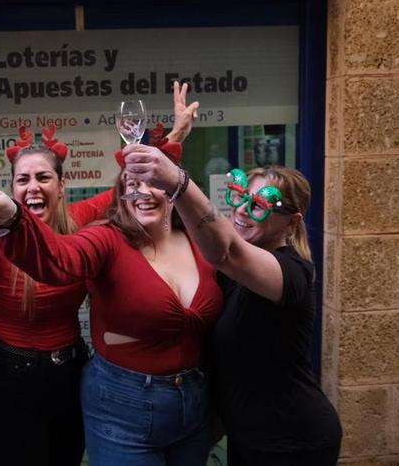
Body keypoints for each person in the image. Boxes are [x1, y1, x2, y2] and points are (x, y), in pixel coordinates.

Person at [0, 81, 198, 466]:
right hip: (7, 377)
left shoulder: (80, 219)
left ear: (62, 186)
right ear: (12, 189)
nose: (33, 187)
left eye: (43, 178)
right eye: (23, 179)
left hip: (67, 374)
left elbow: (133, 182)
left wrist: (174, 138)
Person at [121, 146, 342, 465]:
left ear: (290, 223)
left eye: (259, 206)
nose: (240, 210)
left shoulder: (293, 274)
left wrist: (179, 182)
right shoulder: (228, 275)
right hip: (245, 437)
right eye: (240, 197)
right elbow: (188, 228)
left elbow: (226, 252)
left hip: (295, 440)